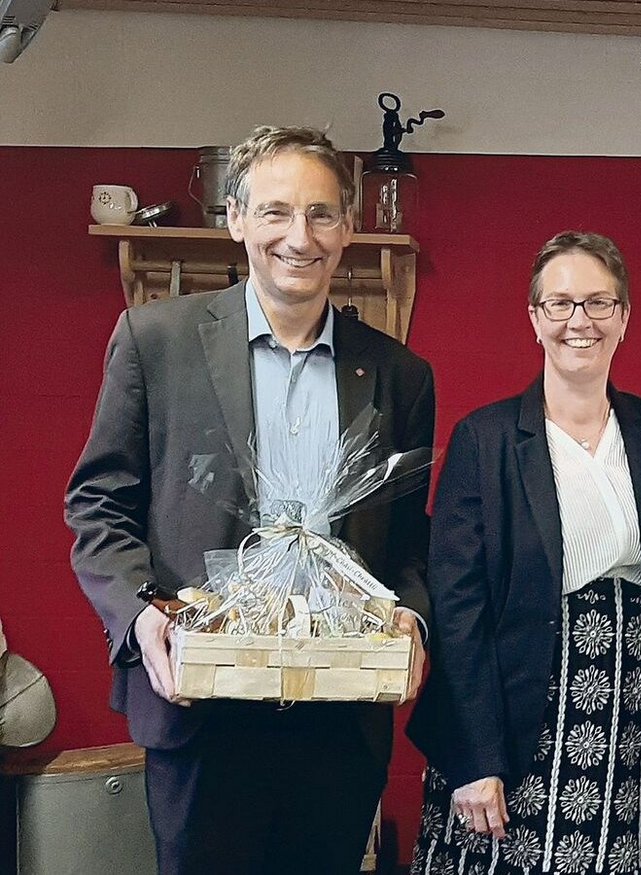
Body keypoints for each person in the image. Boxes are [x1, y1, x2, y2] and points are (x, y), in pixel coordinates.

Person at [65, 125, 434, 874]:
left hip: (340, 715)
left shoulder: (399, 374)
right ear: (235, 218)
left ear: (348, 227)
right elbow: (98, 504)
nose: (299, 236)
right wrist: (140, 617)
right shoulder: (155, 341)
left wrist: (413, 616)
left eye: (321, 214)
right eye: (275, 211)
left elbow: (408, 540)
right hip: (202, 706)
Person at [406, 232, 641, 875]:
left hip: (630, 719)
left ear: (624, 317)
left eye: (599, 303)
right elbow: (458, 610)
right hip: (514, 718)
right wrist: (475, 756)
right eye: (560, 303)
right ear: (535, 317)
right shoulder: (486, 439)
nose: (580, 320)